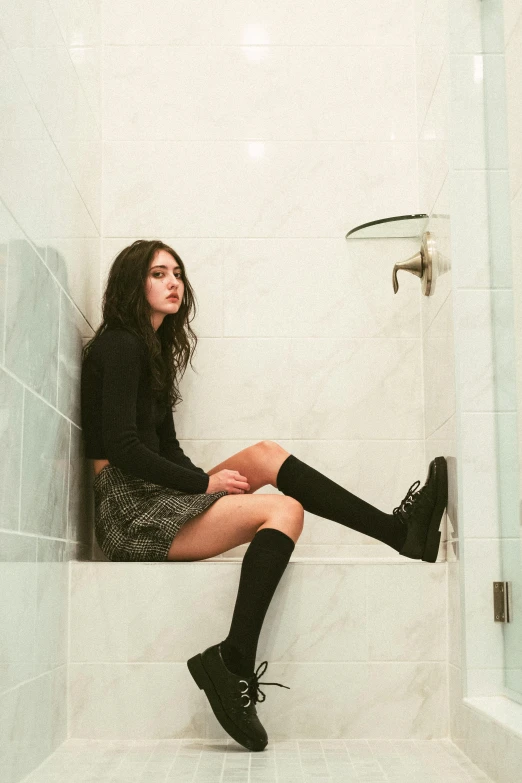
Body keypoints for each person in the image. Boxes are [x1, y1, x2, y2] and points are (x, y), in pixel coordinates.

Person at [80, 239, 448, 753]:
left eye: (178, 273)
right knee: (284, 508)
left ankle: (400, 533)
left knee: (264, 455)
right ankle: (232, 661)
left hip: (152, 492)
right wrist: (203, 486)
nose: (173, 283)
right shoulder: (120, 344)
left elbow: (166, 448)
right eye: (158, 273)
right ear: (131, 284)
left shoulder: (152, 350)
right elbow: (122, 445)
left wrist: (202, 482)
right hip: (127, 510)